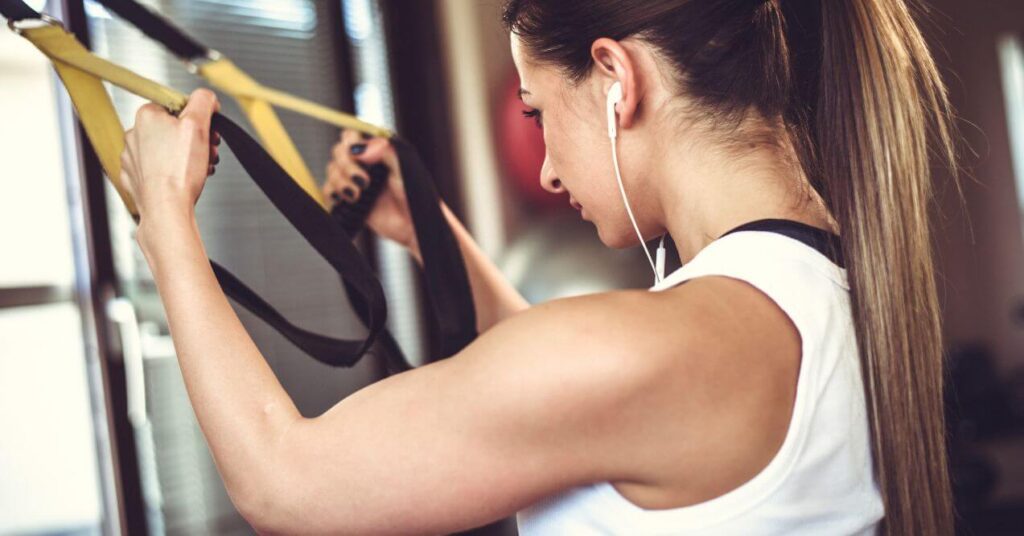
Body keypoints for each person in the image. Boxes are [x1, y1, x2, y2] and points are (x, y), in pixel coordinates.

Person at [119, 0, 958, 533]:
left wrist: (167, 223)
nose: (547, 168)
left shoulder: (663, 348)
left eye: (537, 111)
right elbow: (586, 401)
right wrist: (433, 235)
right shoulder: (818, 280)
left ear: (613, 78)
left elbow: (281, 485)